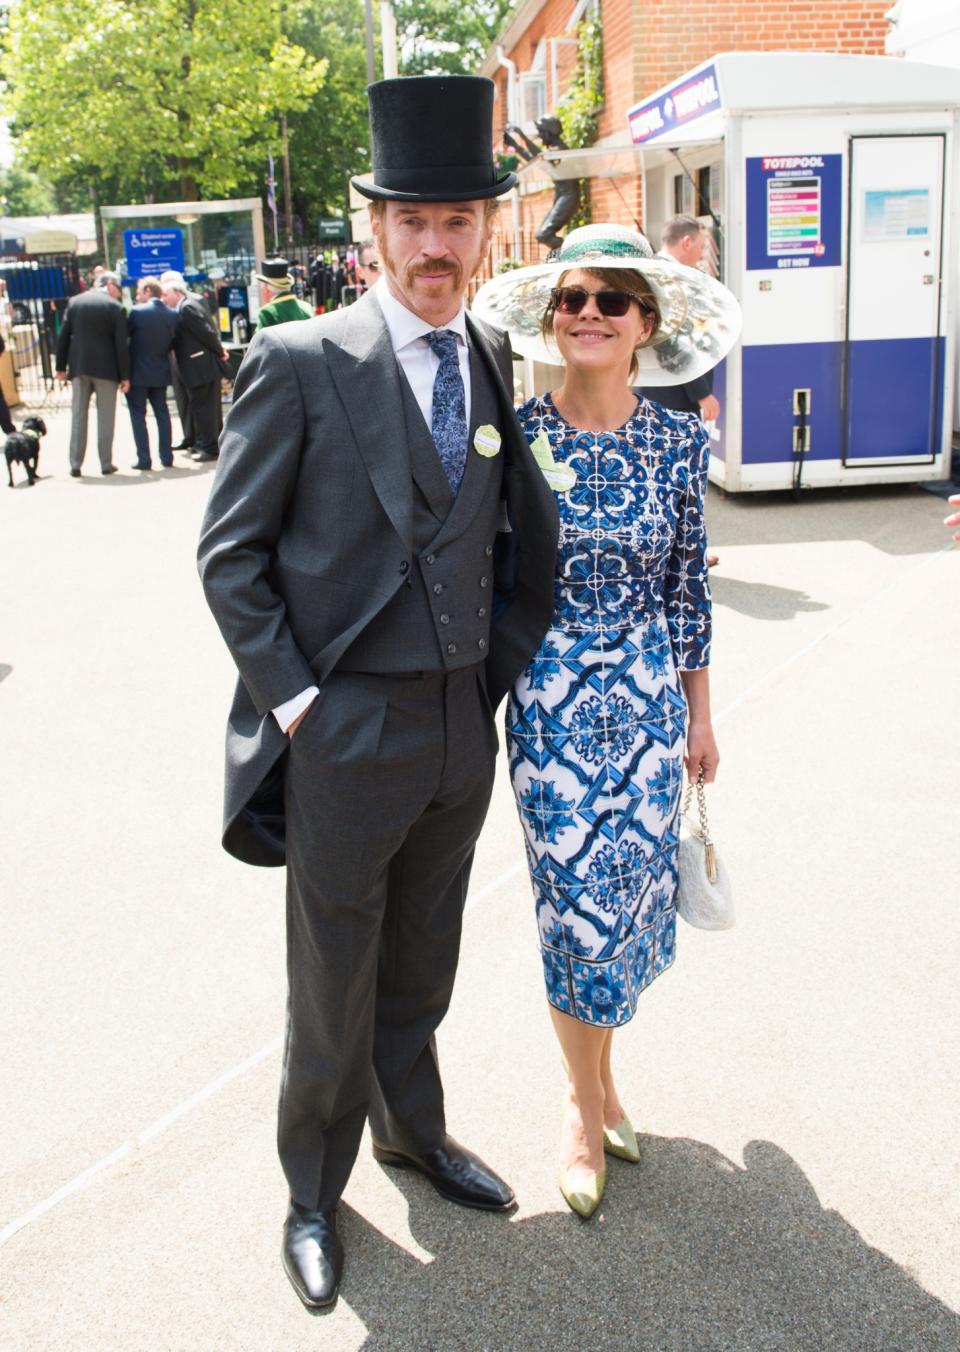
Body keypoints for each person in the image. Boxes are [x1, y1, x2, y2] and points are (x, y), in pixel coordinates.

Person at [197, 75, 558, 1310]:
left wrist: (493, 677)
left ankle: (415, 1132)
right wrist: (300, 706)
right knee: (331, 976)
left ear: (485, 233)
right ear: (374, 229)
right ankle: (313, 1186)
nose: (436, 246)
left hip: (461, 723)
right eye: (412, 221)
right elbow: (230, 557)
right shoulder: (300, 360)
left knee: (422, 957)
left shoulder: (495, 351)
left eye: (458, 221)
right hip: (344, 728)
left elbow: (515, 535)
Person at [472, 222, 741, 1219]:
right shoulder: (517, 436)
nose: (589, 313)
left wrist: (702, 713)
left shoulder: (679, 439)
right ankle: (581, 1111)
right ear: (552, 318)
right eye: (574, 298)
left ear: (645, 323)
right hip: (546, 705)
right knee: (570, 910)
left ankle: (604, 1085)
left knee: (623, 907)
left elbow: (686, 590)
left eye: (611, 301)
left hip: (648, 709)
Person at [637, 214, 722, 565]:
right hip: (672, 394)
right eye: (701, 247)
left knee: (667, 475)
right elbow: (671, 339)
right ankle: (686, 554)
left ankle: (685, 550)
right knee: (680, 476)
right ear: (686, 242)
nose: (702, 254)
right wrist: (701, 391)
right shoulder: (667, 277)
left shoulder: (659, 271)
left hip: (658, 392)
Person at [55, 271, 130, 477]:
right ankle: (105, 463)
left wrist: (60, 367)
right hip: (107, 370)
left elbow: (63, 336)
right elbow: (121, 346)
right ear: (110, 286)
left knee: (78, 415)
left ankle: (75, 463)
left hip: (79, 367)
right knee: (106, 417)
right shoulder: (115, 308)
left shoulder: (75, 302)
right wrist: (125, 376)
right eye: (118, 288)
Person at [158, 271, 228, 463]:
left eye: (165, 295)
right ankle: (212, 446)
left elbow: (206, 332)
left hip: (201, 367)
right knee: (204, 409)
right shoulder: (181, 308)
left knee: (206, 410)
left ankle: (211, 448)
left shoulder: (187, 308)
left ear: (177, 293)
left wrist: (220, 351)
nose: (163, 299)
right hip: (196, 368)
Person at [125, 277, 179, 470]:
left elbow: (126, 339)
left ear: (148, 291)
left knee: (138, 416)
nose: (137, 296)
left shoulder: (137, 312)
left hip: (138, 373)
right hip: (161, 371)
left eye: (139, 292)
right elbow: (174, 341)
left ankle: (144, 459)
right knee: (162, 414)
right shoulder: (172, 314)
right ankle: (167, 456)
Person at [253, 257, 314, 329]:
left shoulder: (267, 313)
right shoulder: (306, 307)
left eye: (261, 288)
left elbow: (259, 340)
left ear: (266, 289)